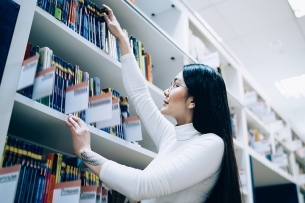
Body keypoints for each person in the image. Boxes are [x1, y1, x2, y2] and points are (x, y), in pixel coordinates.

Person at [65, 5, 242, 203]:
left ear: (193, 100)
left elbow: (141, 186)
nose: (166, 91)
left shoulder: (211, 144)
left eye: (175, 85)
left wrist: (85, 152)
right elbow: (140, 94)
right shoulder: (171, 136)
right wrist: (122, 41)